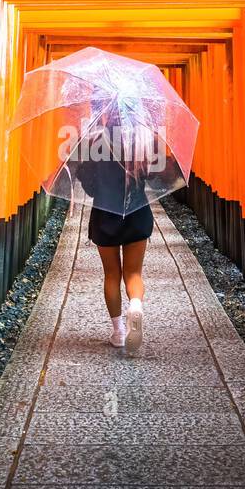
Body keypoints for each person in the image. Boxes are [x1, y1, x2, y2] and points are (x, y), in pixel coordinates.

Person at [73, 135, 154, 351]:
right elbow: (153, 175)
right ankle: (135, 307)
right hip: (137, 211)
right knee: (134, 273)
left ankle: (118, 332)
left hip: (105, 215)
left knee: (111, 274)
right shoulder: (141, 142)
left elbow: (90, 188)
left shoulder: (96, 143)